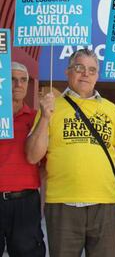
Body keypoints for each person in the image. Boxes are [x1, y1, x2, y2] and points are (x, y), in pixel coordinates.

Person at [26, 49, 115, 257]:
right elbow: (32, 156)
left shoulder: (110, 109)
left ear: (97, 76)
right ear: (68, 72)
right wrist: (45, 119)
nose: (86, 73)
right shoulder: (50, 107)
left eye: (92, 70)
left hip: (105, 204)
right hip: (62, 205)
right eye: (79, 68)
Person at [0, 62, 46, 257]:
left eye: (23, 80)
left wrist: (41, 200)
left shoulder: (37, 118)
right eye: (12, 79)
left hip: (25, 202)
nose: (18, 84)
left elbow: (44, 165)